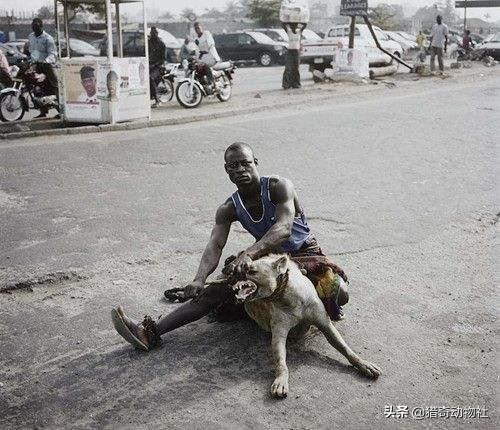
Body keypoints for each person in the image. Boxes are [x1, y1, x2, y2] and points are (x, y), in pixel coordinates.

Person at [112, 142, 350, 351]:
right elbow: (215, 244)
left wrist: (248, 253)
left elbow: (283, 228)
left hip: (304, 254)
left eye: (245, 163)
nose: (239, 170)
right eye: (232, 166)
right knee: (218, 290)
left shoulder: (279, 186)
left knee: (336, 290)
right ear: (226, 171)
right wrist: (199, 278)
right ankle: (150, 332)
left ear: (256, 162)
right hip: (268, 258)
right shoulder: (229, 208)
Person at [24, 17, 58, 117]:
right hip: (35, 66)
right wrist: (27, 55)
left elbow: (52, 54)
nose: (35, 29)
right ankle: (43, 111)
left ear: (41, 27)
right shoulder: (31, 37)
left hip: (46, 66)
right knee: (37, 88)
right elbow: (30, 50)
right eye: (33, 27)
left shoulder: (48, 38)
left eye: (37, 27)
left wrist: (46, 61)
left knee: (54, 86)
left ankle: (61, 109)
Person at [193, 22, 220, 90]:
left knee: (205, 65)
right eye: (195, 28)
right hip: (204, 57)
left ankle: (211, 83)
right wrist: (196, 58)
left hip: (212, 55)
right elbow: (197, 50)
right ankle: (203, 85)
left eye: (198, 28)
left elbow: (211, 44)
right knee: (197, 68)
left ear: (201, 27)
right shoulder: (196, 39)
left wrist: (204, 49)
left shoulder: (207, 33)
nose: (197, 30)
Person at [148, 26, 166, 108]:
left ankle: (157, 100)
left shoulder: (161, 44)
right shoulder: (148, 43)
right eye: (152, 33)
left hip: (158, 67)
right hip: (148, 65)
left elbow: (163, 59)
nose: (153, 34)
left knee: (150, 78)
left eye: (154, 33)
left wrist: (155, 65)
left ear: (157, 34)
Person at [282, 23, 304, 90]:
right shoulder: (289, 31)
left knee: (296, 68)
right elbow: (284, 24)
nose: (294, 29)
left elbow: (304, 24)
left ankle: (296, 84)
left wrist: (300, 23)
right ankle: (286, 84)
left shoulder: (299, 31)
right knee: (288, 68)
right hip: (290, 51)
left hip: (296, 51)